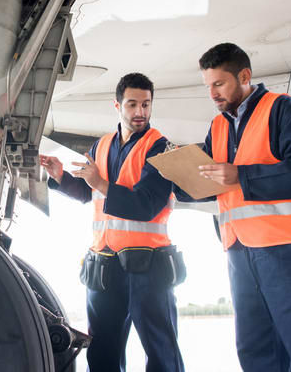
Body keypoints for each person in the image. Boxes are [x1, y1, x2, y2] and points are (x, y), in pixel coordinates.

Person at [172, 42, 291, 371]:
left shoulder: (283, 109)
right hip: (239, 252)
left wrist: (241, 176)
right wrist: (179, 177)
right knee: (257, 349)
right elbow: (215, 184)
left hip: (290, 249)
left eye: (219, 84)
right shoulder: (218, 126)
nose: (213, 94)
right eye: (208, 86)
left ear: (244, 75)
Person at [40, 73, 184, 372]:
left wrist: (101, 184)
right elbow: (87, 192)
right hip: (103, 266)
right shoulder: (101, 146)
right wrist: (60, 177)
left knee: (161, 353)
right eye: (132, 104)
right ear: (117, 105)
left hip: (149, 268)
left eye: (146, 104)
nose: (140, 112)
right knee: (102, 352)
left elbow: (146, 206)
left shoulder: (161, 149)